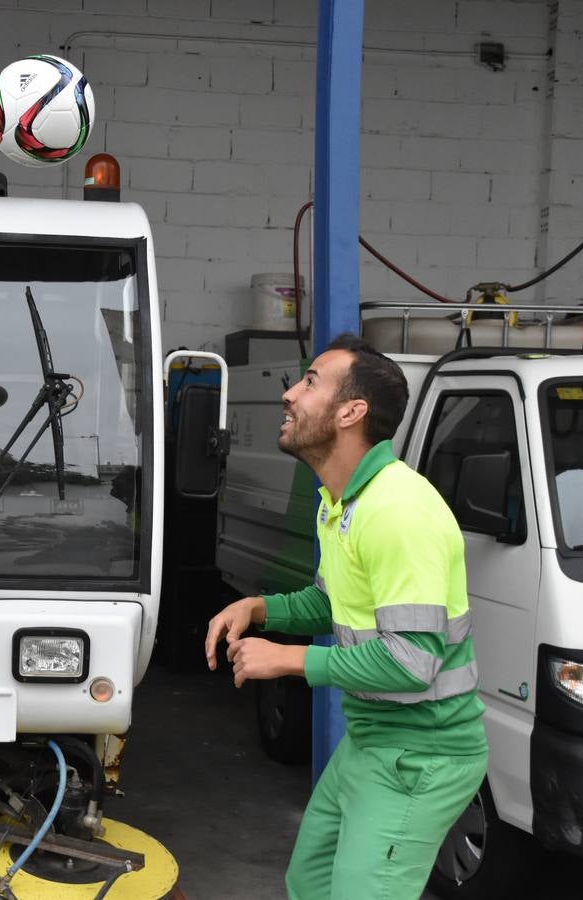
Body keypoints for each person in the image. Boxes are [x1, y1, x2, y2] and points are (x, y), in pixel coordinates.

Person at [204, 334, 487, 900]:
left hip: (421, 755)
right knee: (309, 882)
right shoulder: (341, 503)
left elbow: (412, 663)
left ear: (351, 412)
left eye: (310, 382)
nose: (288, 395)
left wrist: (286, 659)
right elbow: (333, 605)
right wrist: (259, 608)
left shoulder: (397, 511)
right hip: (371, 740)